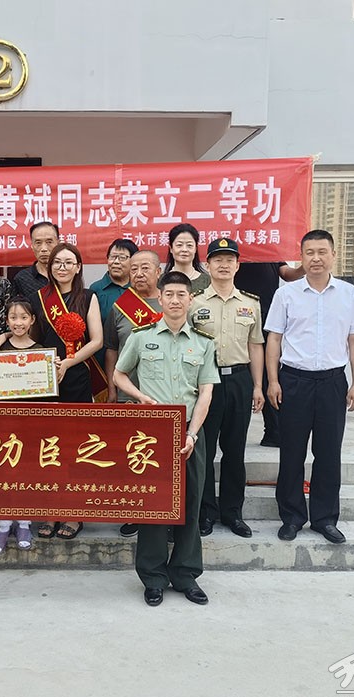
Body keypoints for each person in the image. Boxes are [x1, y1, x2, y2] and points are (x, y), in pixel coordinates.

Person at [113, 271, 220, 607]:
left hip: (190, 431)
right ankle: (153, 577)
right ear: (159, 298)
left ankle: (185, 574)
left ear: (190, 299)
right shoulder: (142, 337)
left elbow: (205, 392)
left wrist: (192, 434)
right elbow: (119, 374)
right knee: (153, 505)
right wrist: (139, 397)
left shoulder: (204, 342)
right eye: (169, 294)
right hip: (152, 434)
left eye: (181, 295)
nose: (175, 300)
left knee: (191, 502)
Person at [265, 230, 354, 545]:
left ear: (333, 255)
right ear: (301, 257)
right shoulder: (286, 294)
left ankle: (324, 519)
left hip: (332, 383)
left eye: (322, 252)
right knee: (291, 452)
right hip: (293, 381)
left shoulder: (349, 294)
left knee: (328, 453)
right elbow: (274, 339)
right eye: (309, 252)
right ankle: (292, 517)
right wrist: (273, 381)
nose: (316, 258)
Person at [189, 238, 265, 539]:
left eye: (229, 260)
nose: (223, 265)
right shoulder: (194, 302)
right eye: (217, 260)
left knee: (235, 450)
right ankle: (206, 512)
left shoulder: (250, 303)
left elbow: (255, 346)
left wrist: (258, 386)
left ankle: (233, 512)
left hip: (239, 381)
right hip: (205, 383)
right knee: (204, 450)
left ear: (238, 265)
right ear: (207, 265)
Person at [31, 243, 104, 540]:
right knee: (48, 447)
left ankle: (75, 512)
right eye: (57, 262)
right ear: (50, 267)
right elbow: (33, 337)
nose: (62, 267)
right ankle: (50, 510)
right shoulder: (39, 298)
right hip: (45, 380)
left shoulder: (88, 297)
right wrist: (7, 335)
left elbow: (97, 340)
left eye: (68, 262)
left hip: (77, 377)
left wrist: (69, 362)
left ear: (78, 267)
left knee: (75, 447)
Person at [102, 249, 163, 538]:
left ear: (158, 272)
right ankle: (135, 512)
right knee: (133, 456)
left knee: (164, 457)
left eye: (145, 268)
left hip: (166, 394)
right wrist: (112, 388)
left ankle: (165, 512)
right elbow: (111, 349)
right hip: (130, 394)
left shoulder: (171, 302)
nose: (138, 274)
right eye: (134, 268)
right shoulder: (120, 306)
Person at [0, 298, 46, 554]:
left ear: (32, 320)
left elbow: (46, 391)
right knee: (4, 474)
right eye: (13, 318)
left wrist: (51, 371)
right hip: (2, 423)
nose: (18, 323)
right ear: (6, 321)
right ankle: (4, 525)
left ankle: (25, 523)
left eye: (23, 317)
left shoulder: (42, 351)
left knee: (27, 474)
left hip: (30, 424)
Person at [236, 259, 305, 447]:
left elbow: (287, 274)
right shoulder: (233, 250)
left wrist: (304, 267)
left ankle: (274, 431)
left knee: (269, 375)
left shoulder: (269, 248)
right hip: (235, 317)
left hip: (267, 318)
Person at [89, 238, 139, 322]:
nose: (116, 262)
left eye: (122, 257)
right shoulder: (96, 289)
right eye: (112, 257)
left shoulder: (139, 287)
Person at [11, 221, 58, 303]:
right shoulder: (22, 278)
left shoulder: (67, 274)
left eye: (49, 242)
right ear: (32, 246)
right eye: (38, 243)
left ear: (58, 243)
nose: (44, 249)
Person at [163, 223, 210, 292]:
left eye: (189, 245)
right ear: (171, 249)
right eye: (179, 245)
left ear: (195, 249)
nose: (184, 249)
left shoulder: (207, 281)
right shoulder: (161, 280)